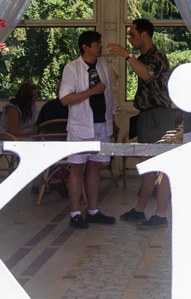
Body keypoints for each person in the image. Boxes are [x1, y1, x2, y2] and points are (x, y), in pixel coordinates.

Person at [107, 19, 173, 228]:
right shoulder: (144, 58)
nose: (130, 39)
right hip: (146, 117)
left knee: (161, 166)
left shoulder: (156, 57)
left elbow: (146, 74)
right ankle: (140, 210)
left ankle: (161, 215)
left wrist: (127, 55)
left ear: (144, 35)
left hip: (158, 117)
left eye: (133, 35)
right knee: (147, 165)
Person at [59, 30, 118, 229]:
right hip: (81, 126)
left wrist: (113, 119)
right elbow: (65, 98)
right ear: (85, 47)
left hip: (102, 124)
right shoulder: (72, 68)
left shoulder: (103, 65)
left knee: (95, 167)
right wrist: (91, 91)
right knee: (77, 168)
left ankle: (93, 210)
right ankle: (75, 213)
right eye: (97, 43)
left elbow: (110, 96)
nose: (100, 46)